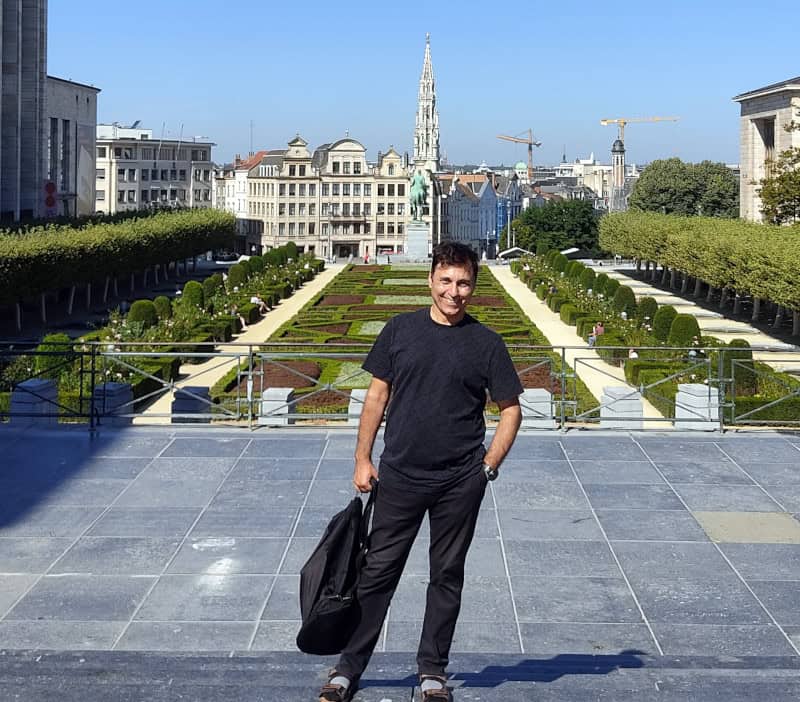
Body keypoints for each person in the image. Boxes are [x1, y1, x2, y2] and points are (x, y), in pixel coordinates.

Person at [317, 242, 523, 702]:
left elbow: (511, 410)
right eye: (446, 280)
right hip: (400, 477)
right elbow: (376, 397)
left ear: (474, 286)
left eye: (463, 283)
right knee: (377, 573)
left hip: (459, 481)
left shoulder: (487, 343)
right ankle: (348, 668)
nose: (454, 291)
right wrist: (362, 458)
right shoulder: (399, 329)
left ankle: (433, 672)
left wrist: (488, 467)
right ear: (430, 280)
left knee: (446, 576)